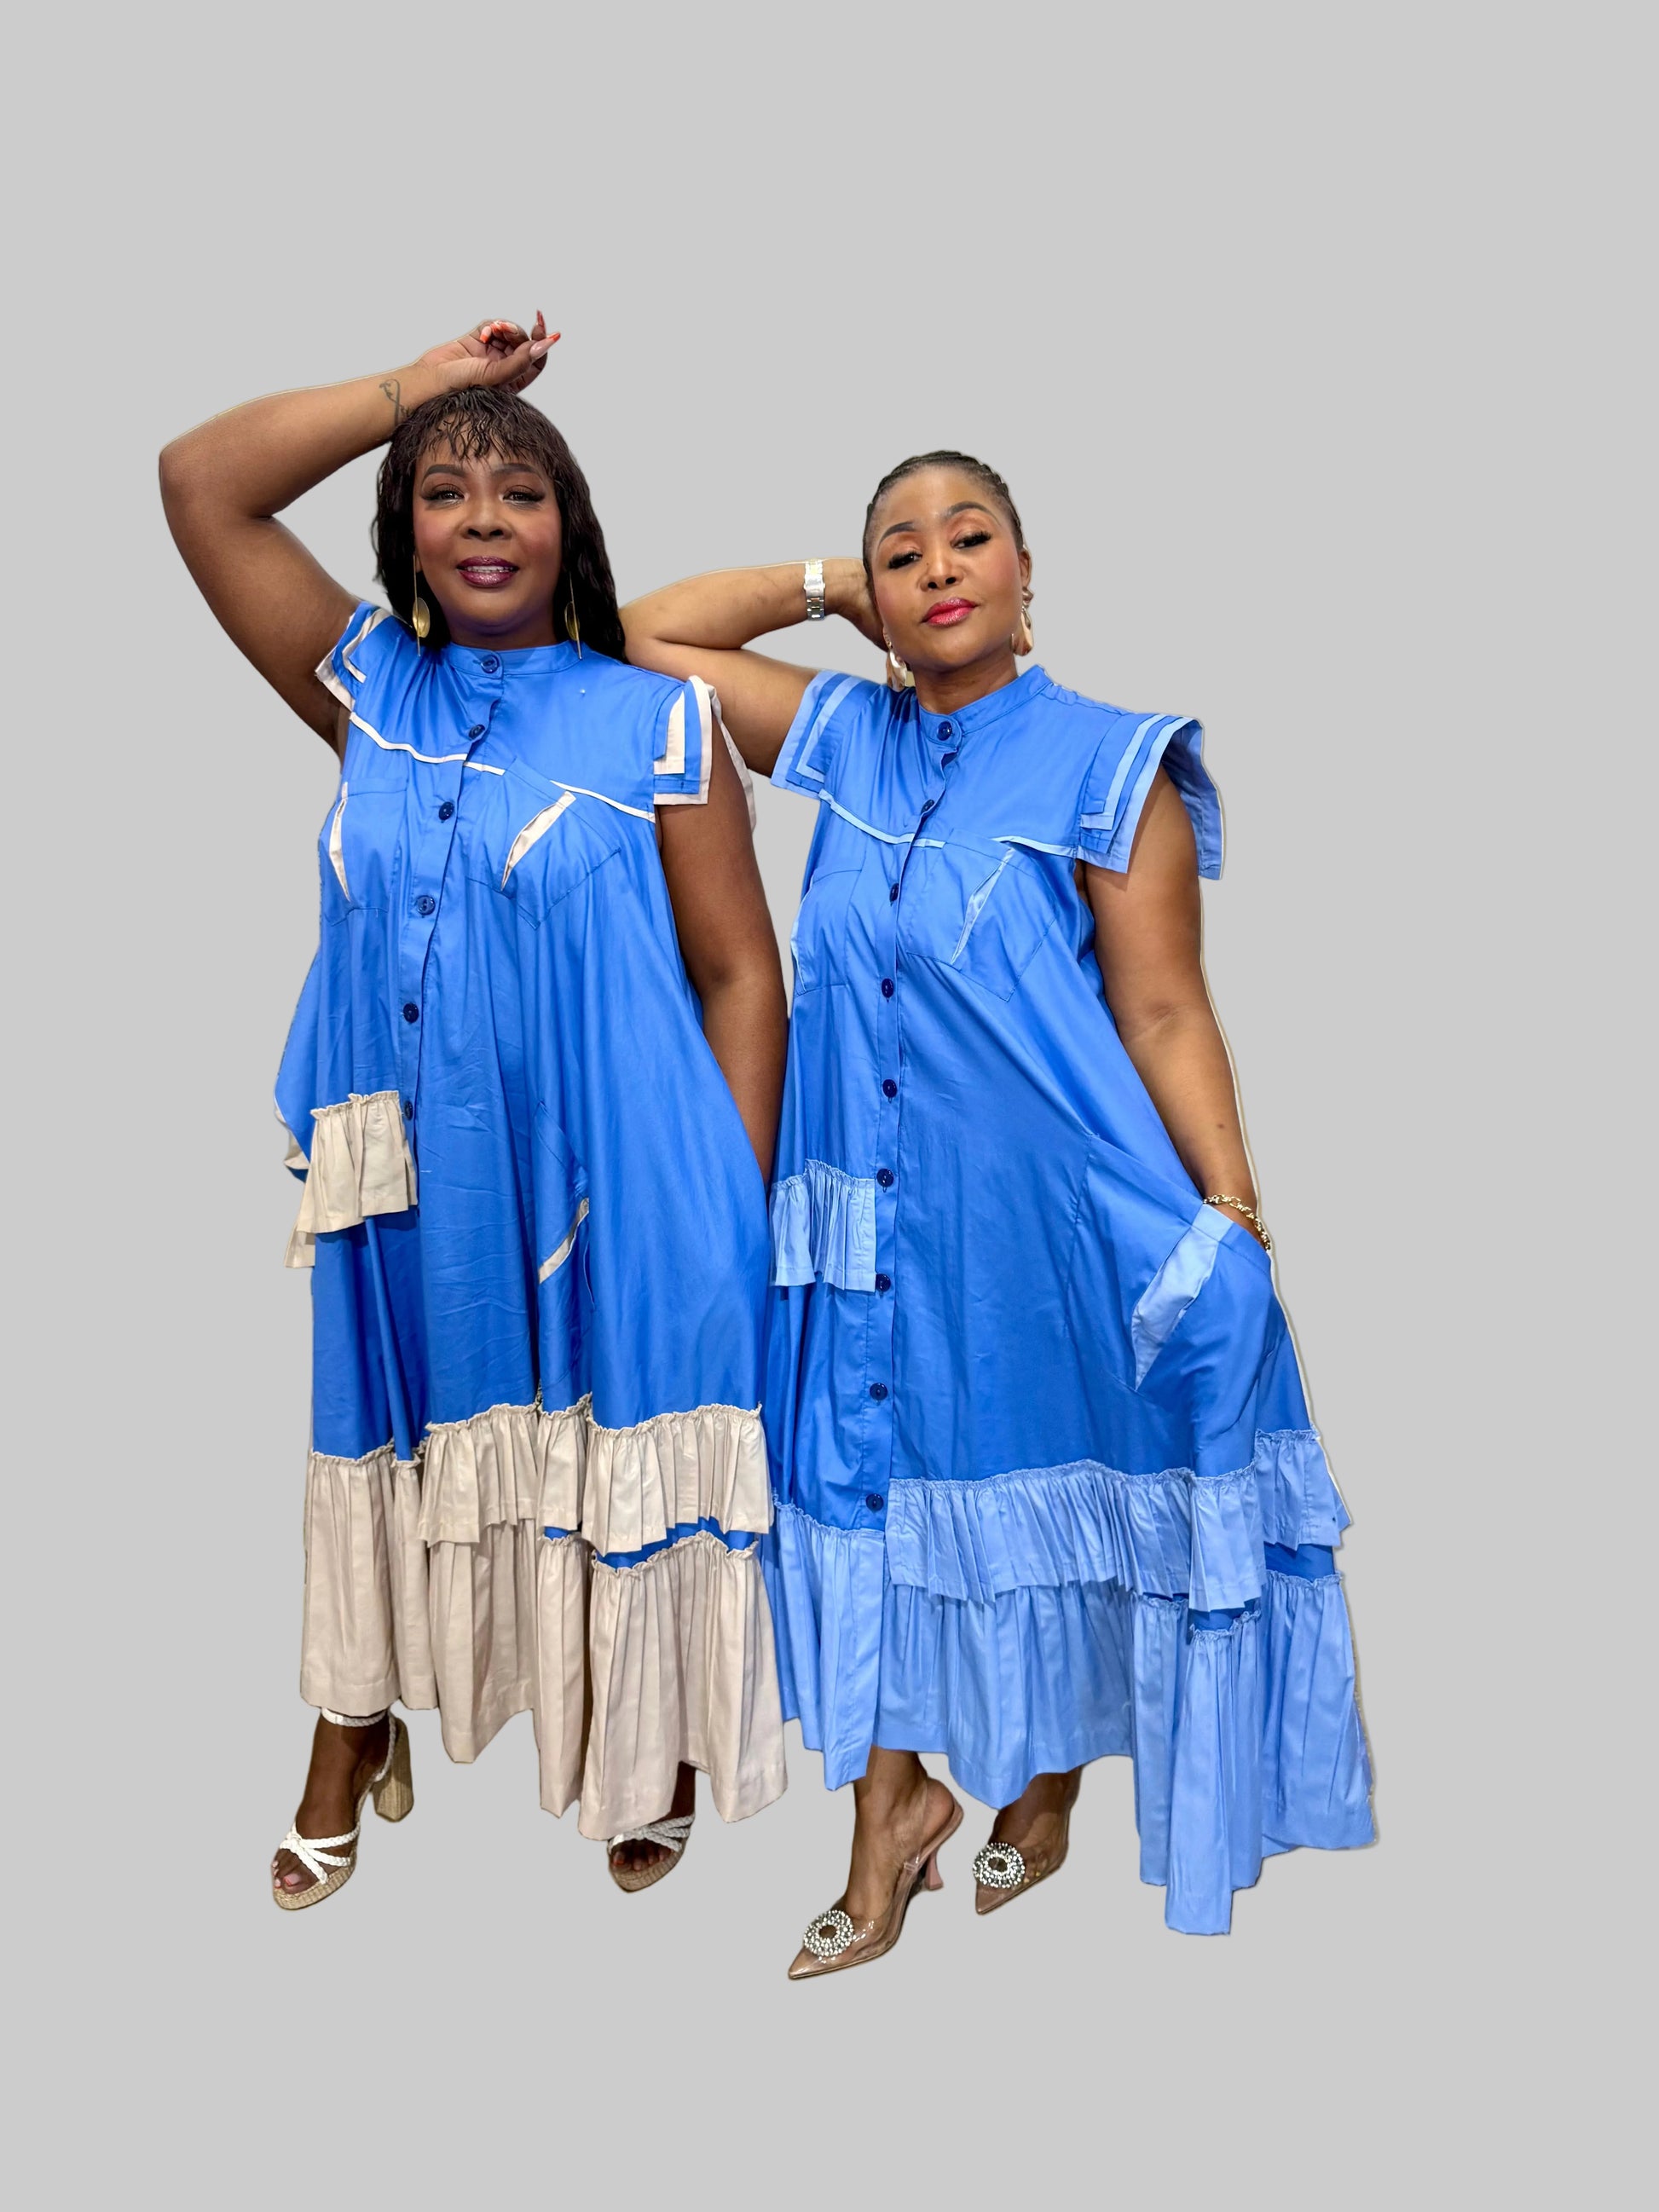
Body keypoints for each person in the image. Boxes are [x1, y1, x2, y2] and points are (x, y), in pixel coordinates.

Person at [623, 454, 1373, 1965]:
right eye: (901, 551)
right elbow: (645, 638)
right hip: (865, 1227)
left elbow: (1161, 1009)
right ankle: (890, 1820)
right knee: (875, 1504)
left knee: (1057, 1495)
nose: (937, 565)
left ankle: (1044, 1778)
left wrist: (1231, 1211)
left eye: (968, 538)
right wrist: (829, 591)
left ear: (1028, 571)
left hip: (1046, 1228)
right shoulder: (842, 734)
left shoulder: (1110, 759)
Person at [161, 318, 789, 1908]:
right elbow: (201, 482)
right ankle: (349, 1722)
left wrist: (729, 1205)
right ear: (405, 533)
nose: (486, 518)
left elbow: (739, 976)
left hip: (616, 1179)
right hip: (406, 1174)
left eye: (521, 491)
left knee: (609, 1437)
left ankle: (644, 1735)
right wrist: (430, 383)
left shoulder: (657, 719)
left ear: (570, 528)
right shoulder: (369, 689)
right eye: (445, 490)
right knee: (382, 1429)